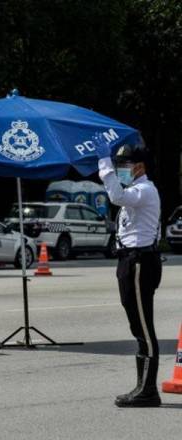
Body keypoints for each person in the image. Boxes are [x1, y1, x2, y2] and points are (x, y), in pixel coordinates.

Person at [95, 135, 162, 408]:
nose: (121, 167)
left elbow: (116, 195)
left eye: (125, 163)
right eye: (119, 163)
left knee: (143, 328)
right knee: (137, 325)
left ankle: (148, 391)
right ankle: (142, 386)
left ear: (140, 167)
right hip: (130, 261)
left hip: (140, 263)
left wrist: (104, 162)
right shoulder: (135, 193)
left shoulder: (144, 190)